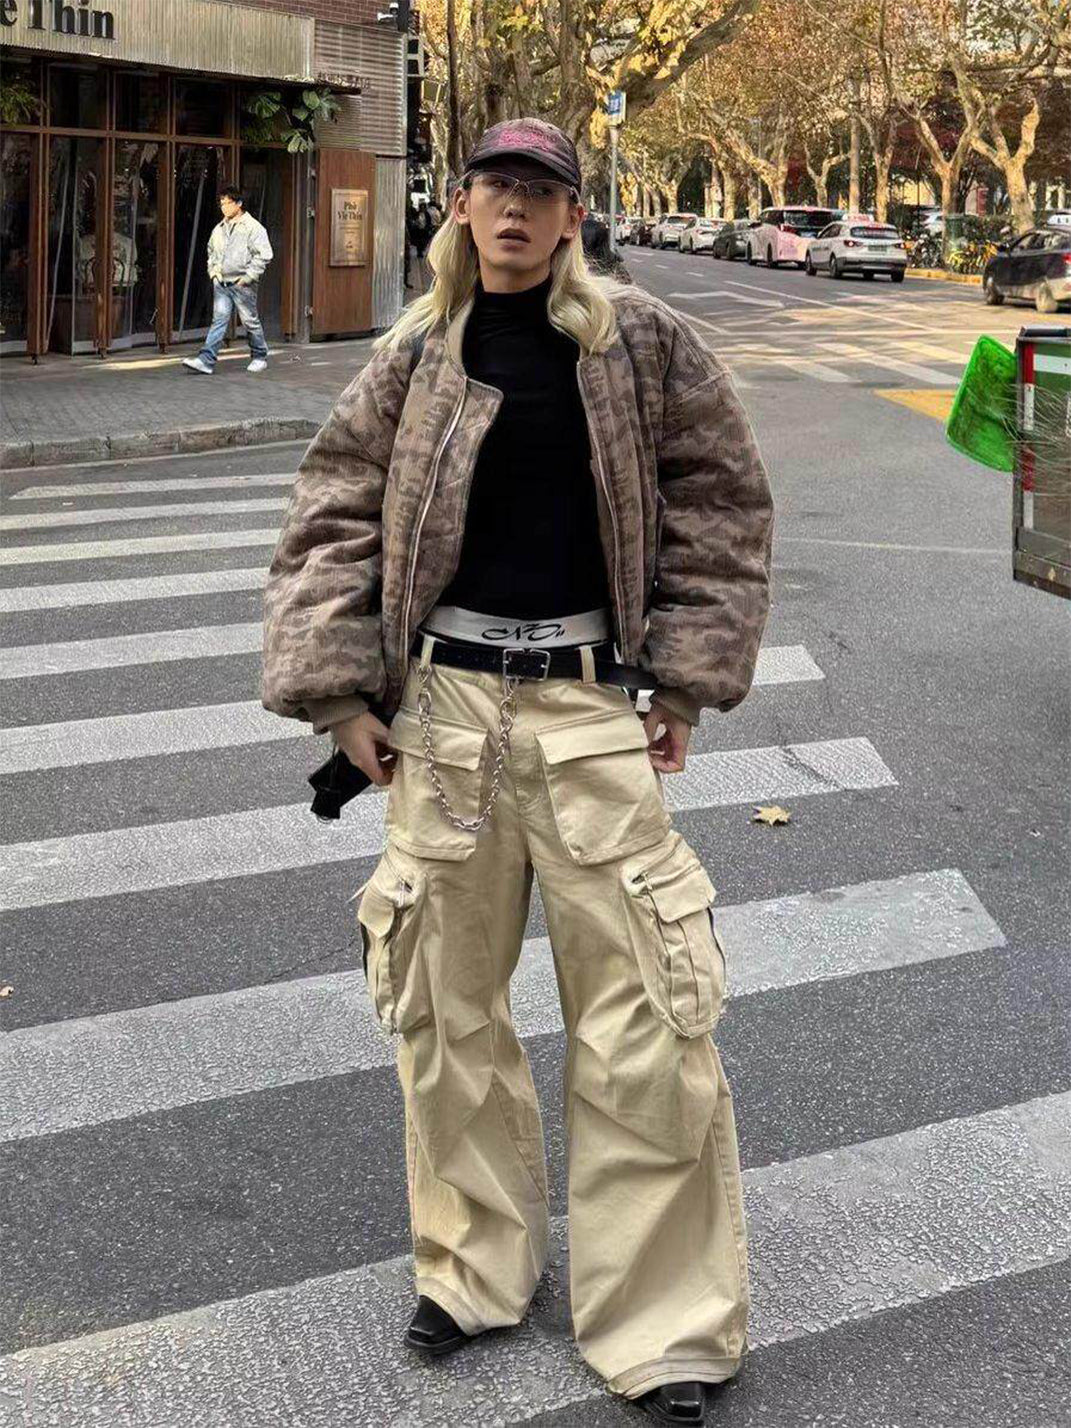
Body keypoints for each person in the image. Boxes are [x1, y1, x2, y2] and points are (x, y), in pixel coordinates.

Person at [262, 117, 772, 1426]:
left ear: (570, 217)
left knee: (648, 1020)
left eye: (538, 193)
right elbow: (331, 512)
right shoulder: (416, 350)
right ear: (461, 206)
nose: (512, 210)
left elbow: (720, 503)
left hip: (589, 710)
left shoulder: (640, 343)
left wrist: (683, 679)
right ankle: (473, 1269)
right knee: (444, 1010)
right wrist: (338, 693)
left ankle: (662, 1326)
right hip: (443, 712)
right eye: (493, 187)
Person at [182, 185, 272, 376]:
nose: (224, 207)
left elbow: (264, 255)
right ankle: (206, 360)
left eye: (228, 203)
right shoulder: (219, 228)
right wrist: (214, 273)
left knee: (249, 321)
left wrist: (248, 277)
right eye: (222, 203)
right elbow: (211, 252)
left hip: (243, 283)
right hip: (222, 283)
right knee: (219, 321)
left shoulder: (253, 227)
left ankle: (259, 356)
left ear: (239, 204)